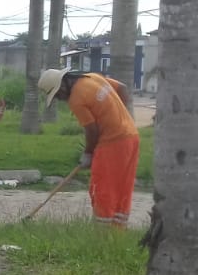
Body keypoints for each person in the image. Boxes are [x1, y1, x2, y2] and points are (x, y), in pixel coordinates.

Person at [39, 68, 140, 228]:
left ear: (63, 85)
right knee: (122, 187)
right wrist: (124, 118)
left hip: (112, 143)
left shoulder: (76, 99)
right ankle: (118, 232)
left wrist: (88, 153)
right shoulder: (93, 77)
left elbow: (92, 130)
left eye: (57, 94)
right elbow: (122, 88)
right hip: (131, 138)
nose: (60, 98)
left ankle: (103, 231)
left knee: (102, 187)